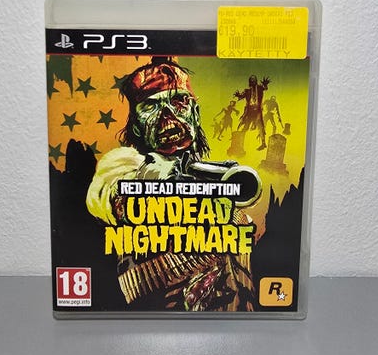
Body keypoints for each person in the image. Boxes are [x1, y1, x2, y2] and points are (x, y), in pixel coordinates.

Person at [86, 57, 254, 311]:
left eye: (178, 102)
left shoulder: (212, 175)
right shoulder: (123, 165)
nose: (167, 116)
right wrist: (149, 175)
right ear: (136, 126)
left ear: (195, 114)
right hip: (158, 308)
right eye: (151, 106)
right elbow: (104, 197)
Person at [234, 75, 270, 150]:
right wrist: (238, 95)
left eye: (254, 80)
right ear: (250, 82)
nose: (253, 81)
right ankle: (239, 144)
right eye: (251, 80)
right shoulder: (247, 91)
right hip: (249, 111)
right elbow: (241, 96)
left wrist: (265, 84)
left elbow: (265, 88)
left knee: (260, 126)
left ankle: (263, 143)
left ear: (256, 81)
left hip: (257, 111)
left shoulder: (260, 88)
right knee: (245, 127)